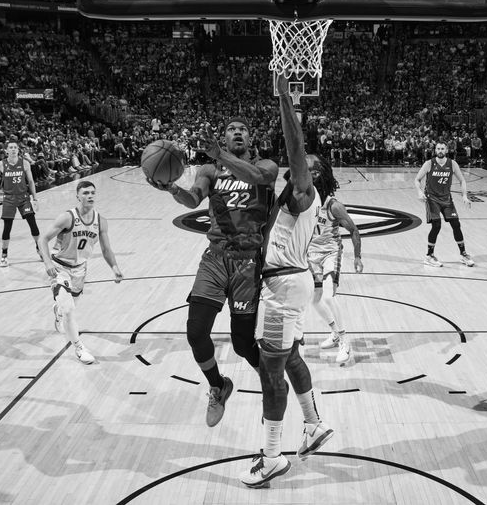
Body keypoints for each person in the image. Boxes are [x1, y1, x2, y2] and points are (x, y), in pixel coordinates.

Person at [150, 117, 278, 427]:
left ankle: (270, 380)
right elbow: (192, 198)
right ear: (223, 136)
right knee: (195, 332)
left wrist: (220, 154)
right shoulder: (209, 170)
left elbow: (258, 178)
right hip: (215, 258)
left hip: (248, 263)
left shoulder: (268, 166)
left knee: (243, 344)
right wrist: (171, 188)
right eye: (231, 128)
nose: (237, 131)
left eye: (243, 128)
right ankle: (218, 385)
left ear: (250, 137)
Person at [240, 74, 333, 488]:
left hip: (282, 290)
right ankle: (313, 425)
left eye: (308, 167)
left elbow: (295, 151)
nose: (302, 164)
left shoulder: (303, 194)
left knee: (270, 370)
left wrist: (284, 99)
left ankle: (273, 456)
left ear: (312, 178)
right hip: (289, 283)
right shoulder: (289, 202)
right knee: (291, 358)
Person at [37, 181, 123, 364]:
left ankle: (57, 310)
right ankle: (79, 347)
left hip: (80, 270)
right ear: (78, 196)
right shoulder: (67, 217)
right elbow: (42, 240)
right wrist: (47, 263)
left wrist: (114, 267)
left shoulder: (101, 221)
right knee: (69, 310)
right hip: (59, 266)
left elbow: (106, 249)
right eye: (85, 193)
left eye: (92, 192)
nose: (90, 196)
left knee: (69, 306)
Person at [308, 155, 363, 364]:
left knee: (329, 297)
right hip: (311, 255)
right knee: (314, 299)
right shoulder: (306, 202)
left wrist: (357, 257)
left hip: (330, 253)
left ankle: (344, 342)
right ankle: (334, 332)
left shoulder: (334, 206)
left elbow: (354, 231)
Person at [0, 141, 40, 267]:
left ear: (18, 150)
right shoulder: (0, 164)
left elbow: (31, 181)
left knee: (32, 224)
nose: (13, 149)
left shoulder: (25, 163)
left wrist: (35, 198)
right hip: (9, 199)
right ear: (6, 150)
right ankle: (4, 255)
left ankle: (40, 249)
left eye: (15, 147)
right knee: (7, 227)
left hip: (23, 198)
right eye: (10, 148)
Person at [414, 142, 475, 268]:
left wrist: (464, 196)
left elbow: (462, 180)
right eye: (438, 148)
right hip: (432, 199)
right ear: (435, 150)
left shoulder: (452, 164)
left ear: (446, 150)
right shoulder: (429, 163)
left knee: (456, 224)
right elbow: (417, 179)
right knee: (436, 225)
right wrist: (419, 191)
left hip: (447, 199)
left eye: (442, 148)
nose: (440, 150)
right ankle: (429, 256)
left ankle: (463, 254)